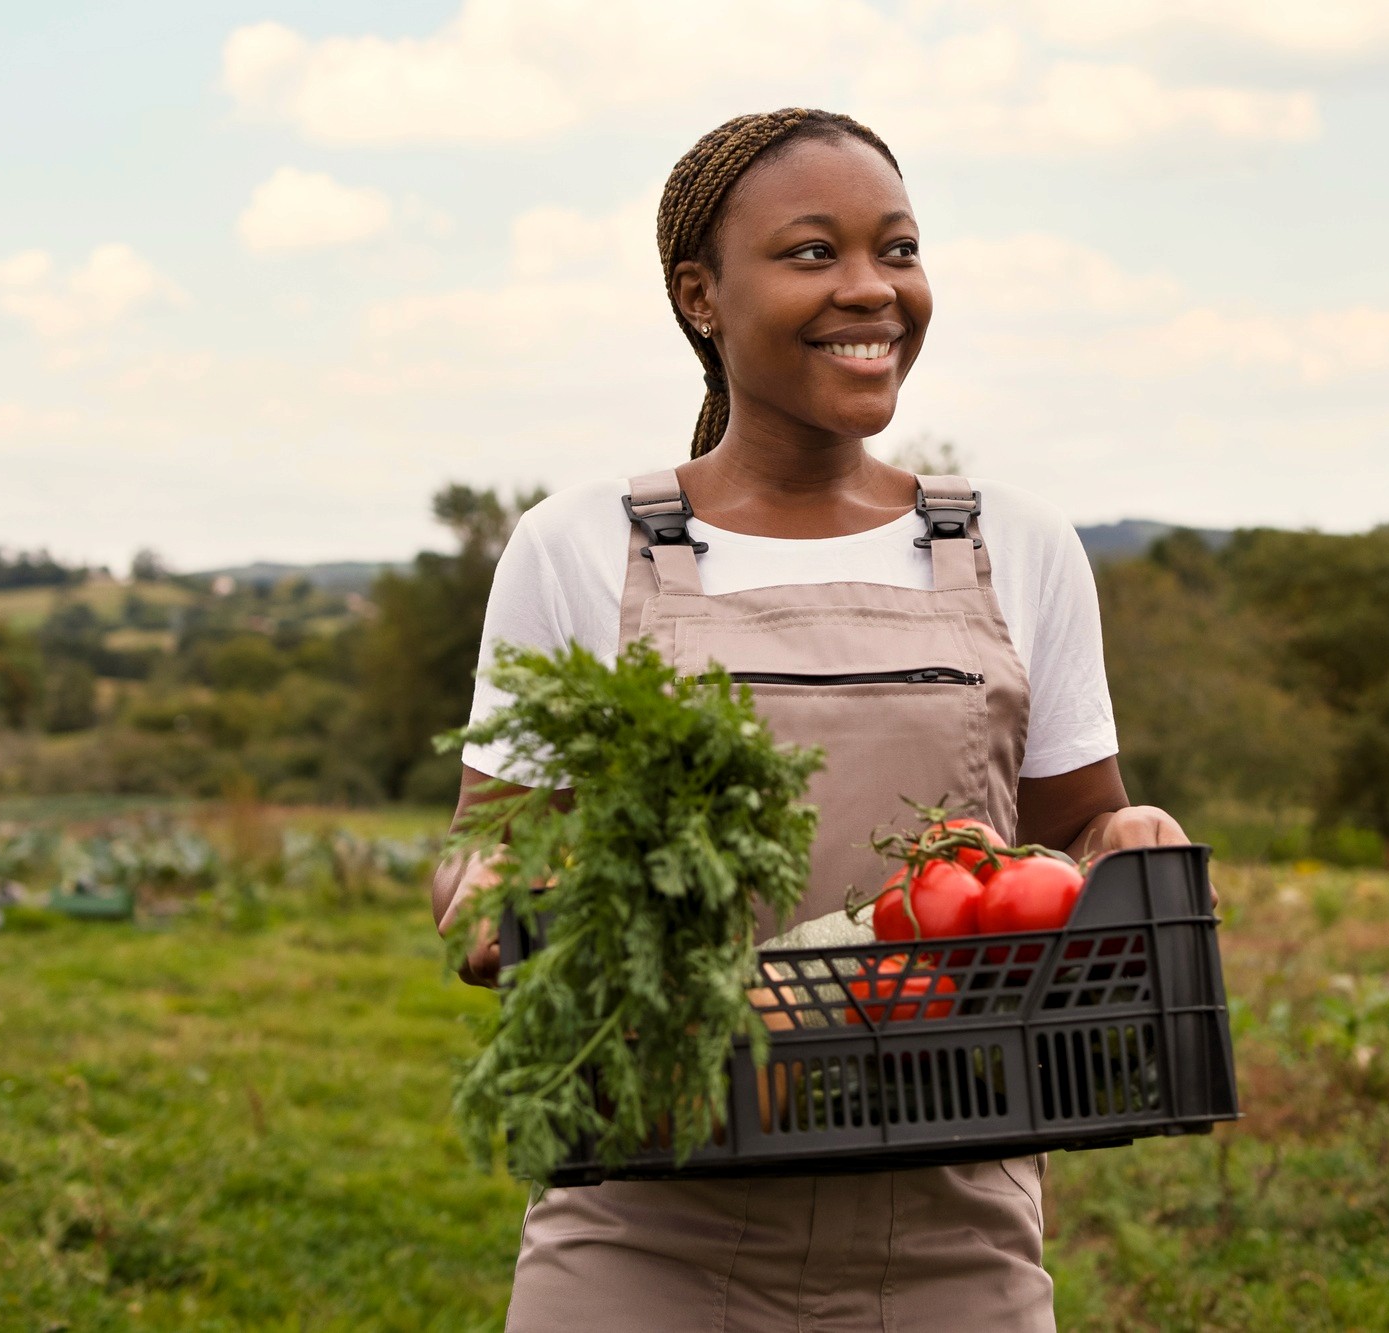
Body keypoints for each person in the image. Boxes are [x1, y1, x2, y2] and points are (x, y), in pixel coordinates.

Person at [431, 107, 1192, 1332]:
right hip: (644, 1218)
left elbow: (1068, 836)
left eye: (895, 249)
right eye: (809, 253)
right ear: (699, 296)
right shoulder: (576, 545)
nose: (869, 290)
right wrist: (491, 895)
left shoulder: (1017, 547)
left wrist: (1124, 841)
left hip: (954, 1227)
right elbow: (490, 842)